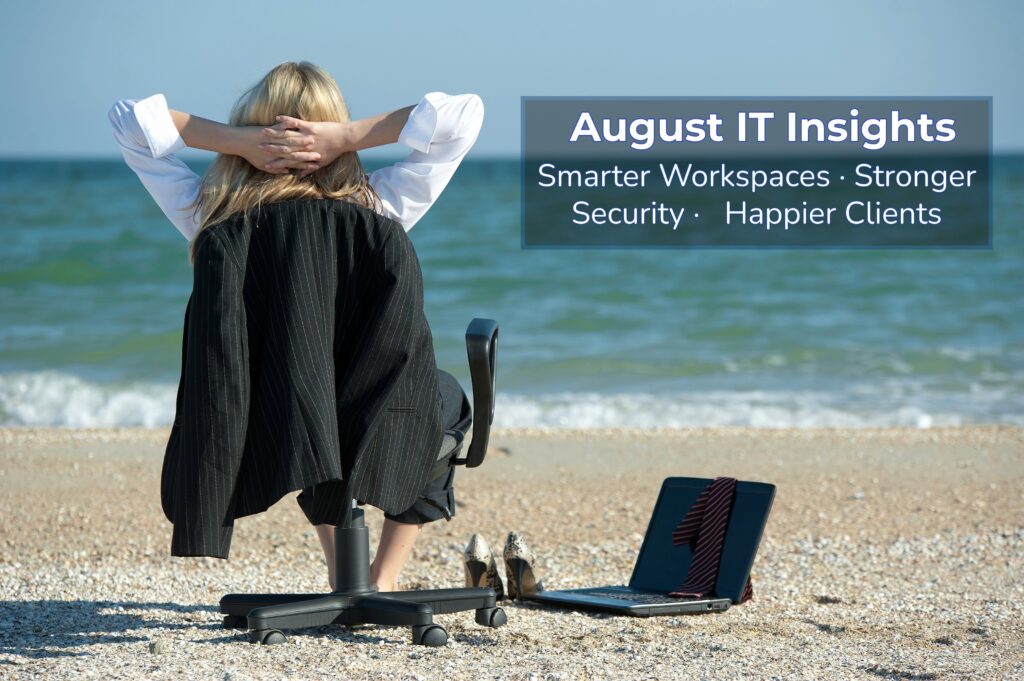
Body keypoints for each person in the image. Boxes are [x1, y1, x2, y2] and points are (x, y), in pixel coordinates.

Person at [108, 61, 484, 592]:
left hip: (274, 423)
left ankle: (344, 578)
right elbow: (465, 115)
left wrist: (236, 141)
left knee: (313, 408)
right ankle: (382, 580)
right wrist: (349, 137)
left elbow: (129, 122)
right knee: (442, 396)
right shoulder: (381, 207)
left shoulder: (210, 215)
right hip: (370, 415)